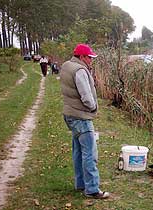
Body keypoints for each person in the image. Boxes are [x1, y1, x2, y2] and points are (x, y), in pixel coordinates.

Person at [60, 44, 110, 199]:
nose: (91, 60)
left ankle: (80, 184)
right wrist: (93, 107)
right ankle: (92, 189)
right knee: (90, 154)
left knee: (78, 151)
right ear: (81, 57)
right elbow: (86, 96)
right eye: (89, 57)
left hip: (70, 114)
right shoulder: (80, 70)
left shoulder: (67, 66)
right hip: (81, 117)